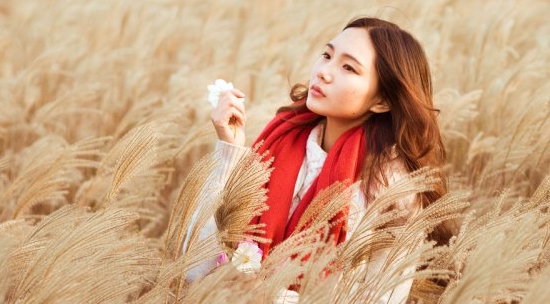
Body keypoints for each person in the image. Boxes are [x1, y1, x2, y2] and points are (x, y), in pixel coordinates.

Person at [182, 17, 455, 303]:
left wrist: (266, 295)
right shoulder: (279, 143)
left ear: (382, 101)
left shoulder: (389, 186)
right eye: (326, 55)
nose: (324, 72)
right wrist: (229, 150)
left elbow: (382, 297)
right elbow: (194, 265)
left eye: (348, 67)